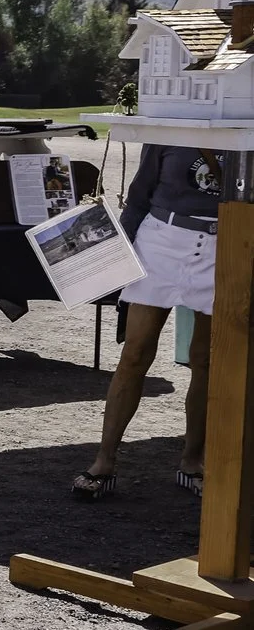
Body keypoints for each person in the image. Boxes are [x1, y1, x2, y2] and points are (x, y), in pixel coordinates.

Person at [72, 143, 220, 499]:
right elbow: (139, 196)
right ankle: (104, 461)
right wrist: (117, 260)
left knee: (207, 361)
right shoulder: (172, 125)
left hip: (225, 244)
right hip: (161, 241)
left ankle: (192, 462)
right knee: (135, 354)